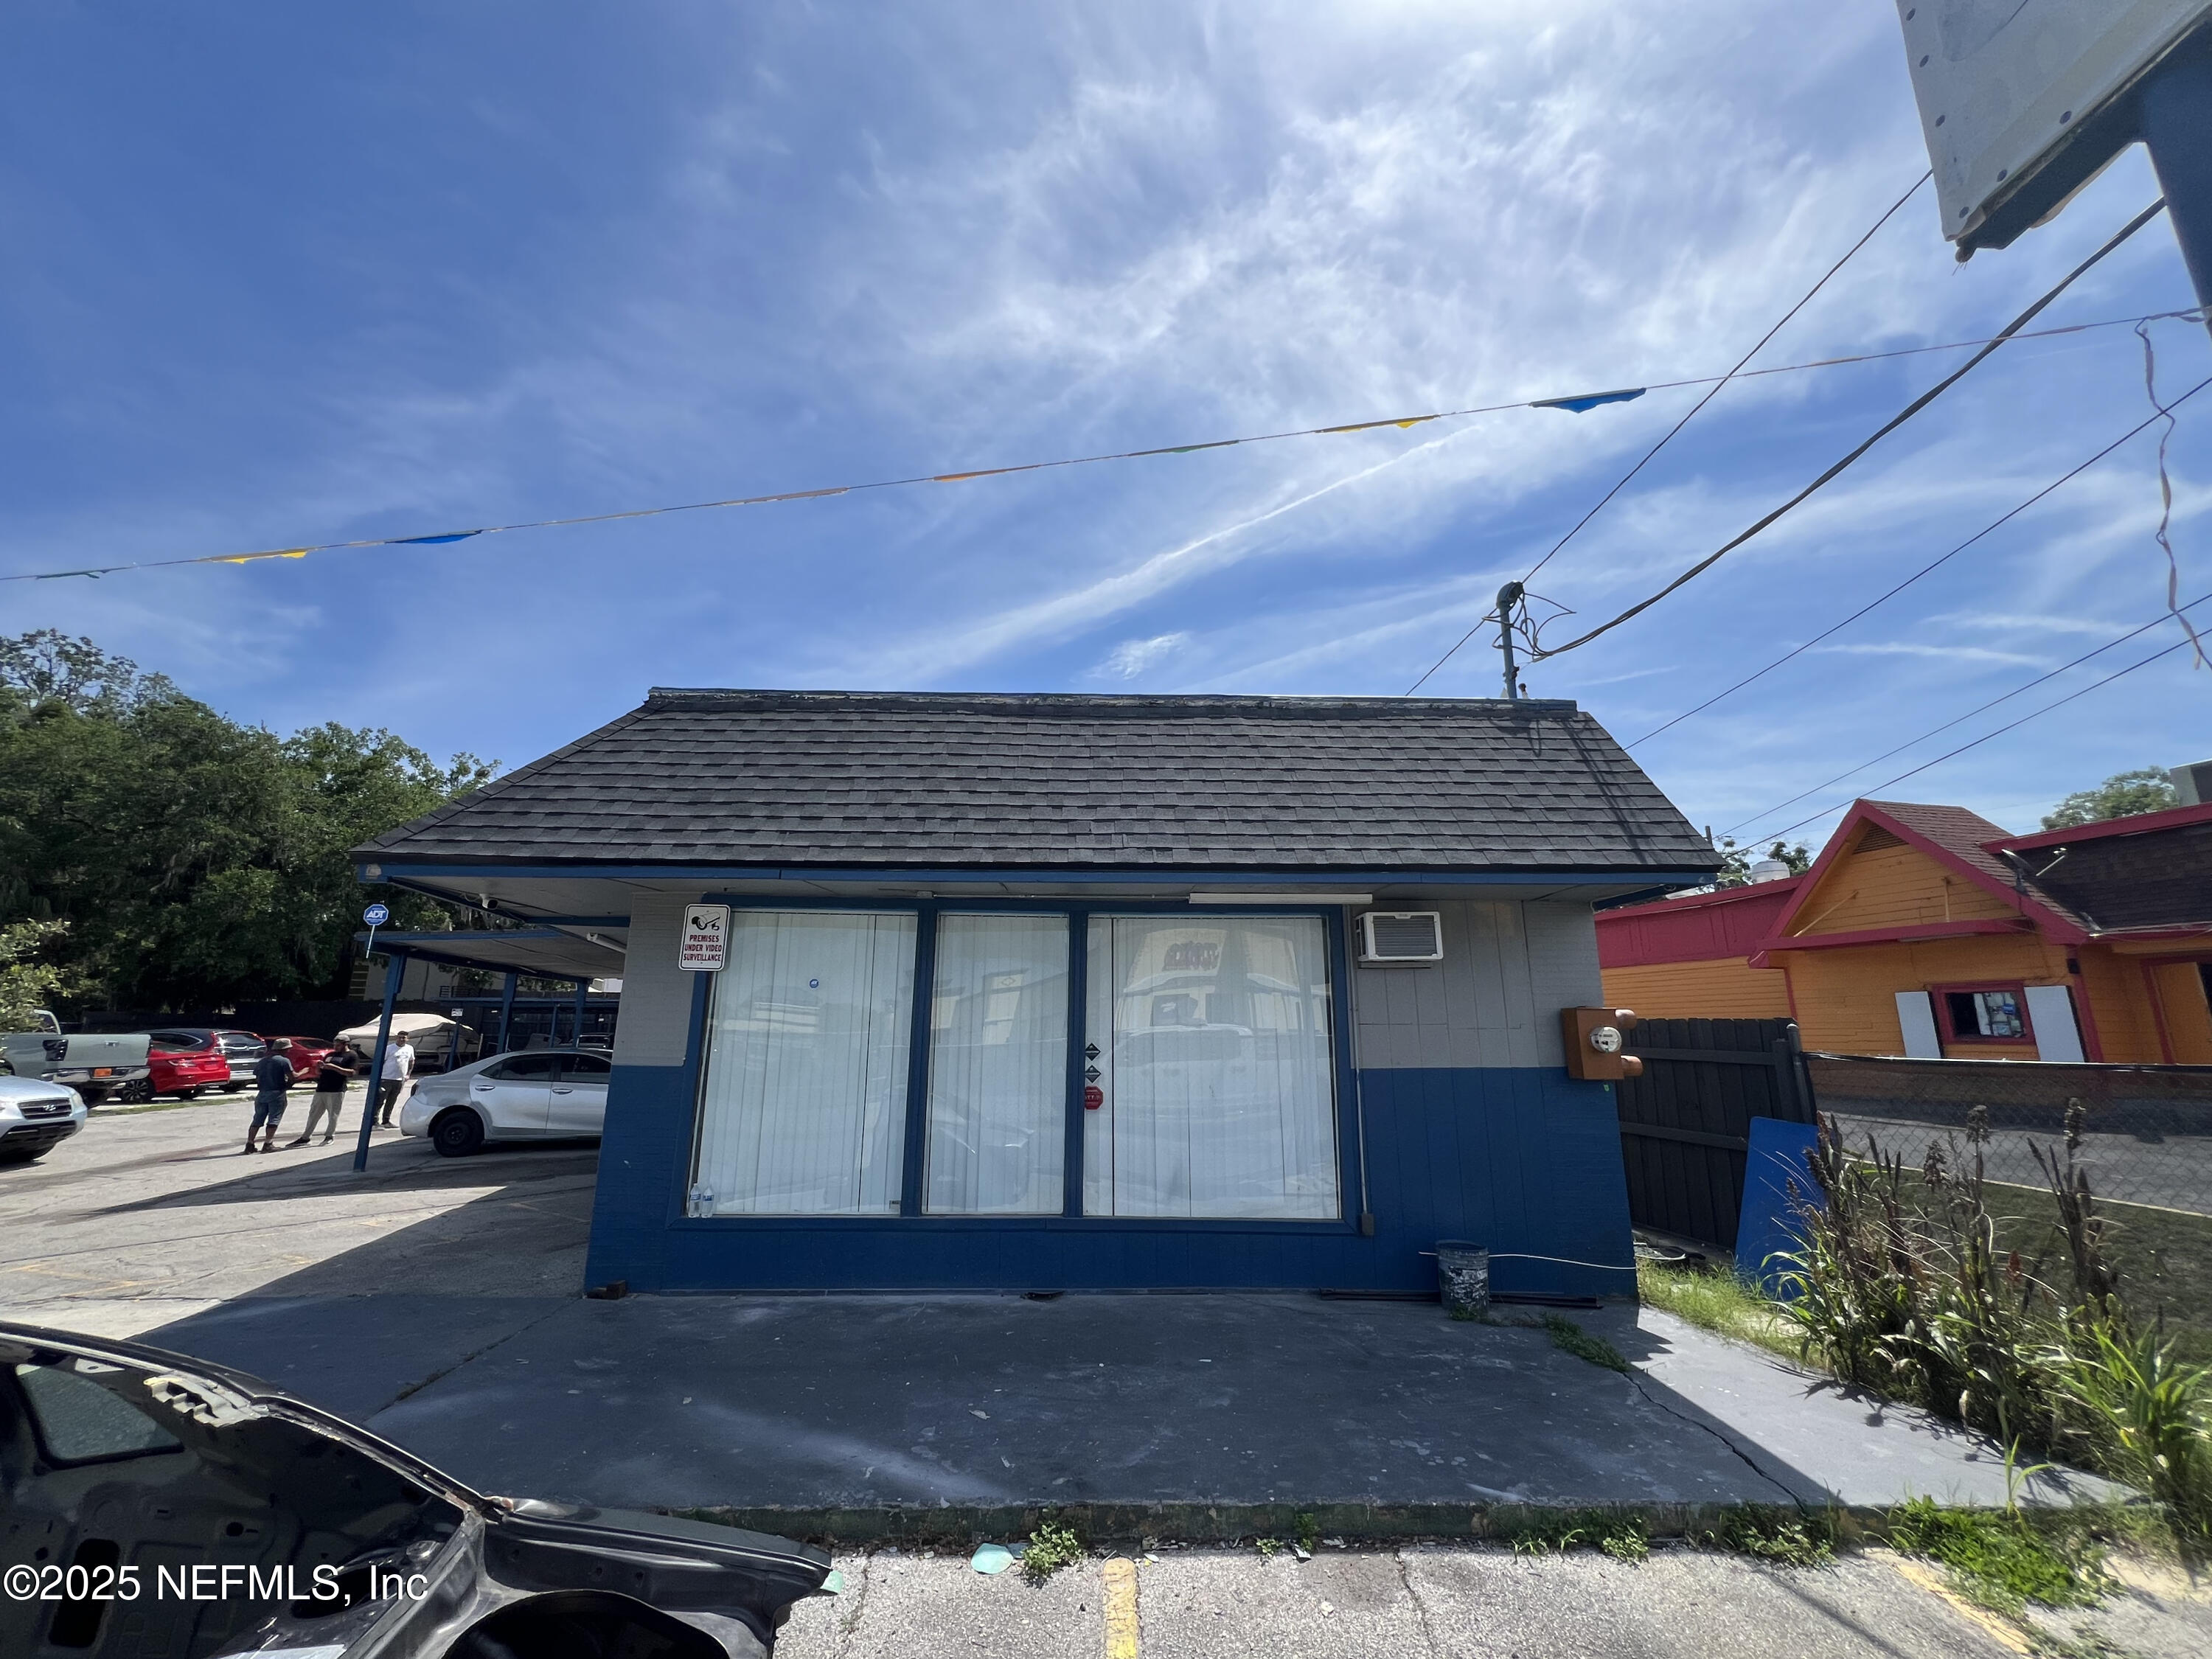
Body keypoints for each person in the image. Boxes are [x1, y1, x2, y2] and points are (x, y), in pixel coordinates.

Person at [286, 1046, 359, 1147]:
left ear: (345, 1044)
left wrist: (334, 1067)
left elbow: (351, 1073)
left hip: (336, 1089)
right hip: (321, 1088)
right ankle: (305, 1137)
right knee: (313, 1114)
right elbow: (318, 1073)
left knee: (333, 1115)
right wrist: (318, 1067)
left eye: (338, 1044)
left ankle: (329, 1136)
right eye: (334, 1043)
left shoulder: (351, 1055)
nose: (335, 1046)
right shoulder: (330, 1055)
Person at [245, 1038, 293, 1153]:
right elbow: (293, 1076)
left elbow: (257, 1076)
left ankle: (250, 1144)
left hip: (262, 1093)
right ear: (285, 1049)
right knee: (274, 1119)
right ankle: (268, 1143)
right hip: (277, 1093)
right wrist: (305, 1072)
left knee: (257, 1119)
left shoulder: (263, 1061)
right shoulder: (284, 1061)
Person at [377, 1033, 415, 1127]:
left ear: (407, 1039)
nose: (402, 1039)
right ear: (396, 1038)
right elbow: (381, 1061)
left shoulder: (410, 1048)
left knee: (392, 1101)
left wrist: (408, 1074)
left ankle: (386, 1121)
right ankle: (374, 1122)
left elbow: (412, 1061)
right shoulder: (389, 1048)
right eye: (400, 1037)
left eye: (404, 1038)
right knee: (380, 1100)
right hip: (386, 1078)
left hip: (399, 1080)